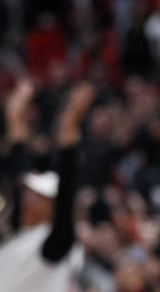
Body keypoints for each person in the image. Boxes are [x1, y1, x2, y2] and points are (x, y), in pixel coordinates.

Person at [0, 80, 95, 291]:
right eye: (30, 194)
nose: (28, 198)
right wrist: (14, 118)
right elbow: (20, 170)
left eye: (38, 196)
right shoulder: (22, 233)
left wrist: (69, 126)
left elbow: (66, 193)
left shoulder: (53, 244)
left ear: (51, 207)